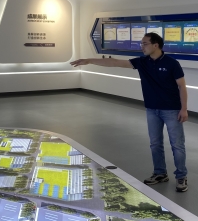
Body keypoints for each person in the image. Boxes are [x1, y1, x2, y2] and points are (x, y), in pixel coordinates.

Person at [70, 32, 189, 192]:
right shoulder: (142, 62)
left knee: (177, 145)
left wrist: (183, 109)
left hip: (171, 110)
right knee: (155, 144)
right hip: (152, 109)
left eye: (145, 43)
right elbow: (115, 63)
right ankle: (160, 173)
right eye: (141, 44)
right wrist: (89, 60)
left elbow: (182, 86)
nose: (142, 47)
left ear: (156, 45)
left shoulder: (172, 63)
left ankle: (181, 176)